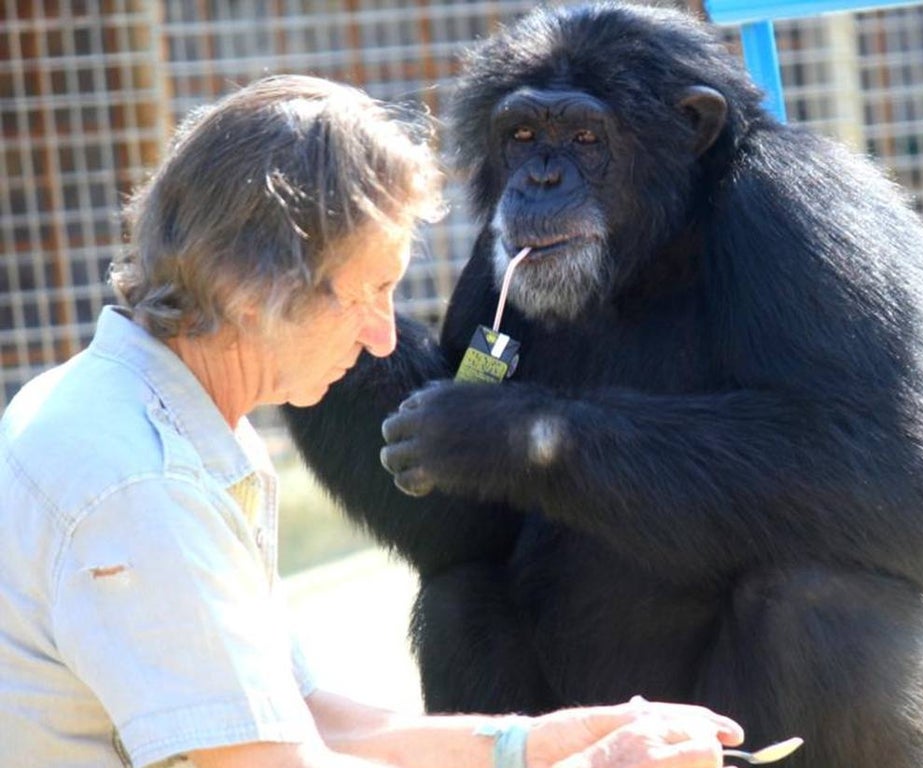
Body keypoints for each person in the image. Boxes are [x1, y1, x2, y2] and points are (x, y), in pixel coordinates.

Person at [0, 75, 743, 768]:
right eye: (368, 292)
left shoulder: (165, 417)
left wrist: (537, 741)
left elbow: (300, 716)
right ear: (256, 288)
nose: (384, 338)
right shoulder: (143, 481)